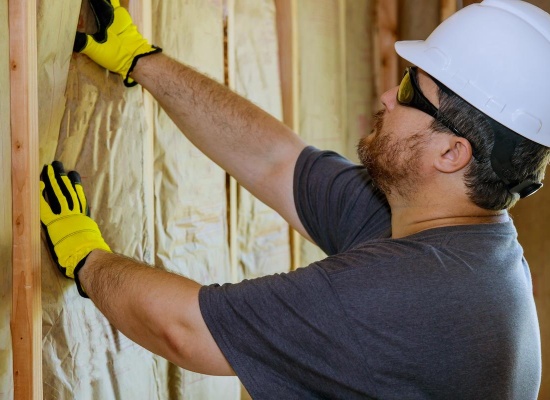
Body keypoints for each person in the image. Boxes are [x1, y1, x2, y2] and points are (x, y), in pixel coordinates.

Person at [39, 0, 550, 398]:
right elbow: (276, 161)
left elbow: (184, 329)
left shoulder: (413, 294)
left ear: (451, 152)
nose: (387, 97)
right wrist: (141, 60)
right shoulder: (450, 237)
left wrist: (86, 256)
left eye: (410, 90)